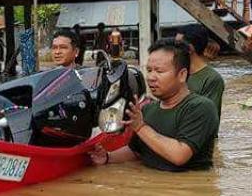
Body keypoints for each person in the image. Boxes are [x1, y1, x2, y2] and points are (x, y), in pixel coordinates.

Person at [89, 39, 218, 172]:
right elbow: (137, 152)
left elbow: (179, 156)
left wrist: (140, 127)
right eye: (149, 70)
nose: (151, 77)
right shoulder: (148, 109)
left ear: (182, 75)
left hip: (185, 188)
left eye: (159, 71)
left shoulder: (201, 107)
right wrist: (108, 158)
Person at [175, 25, 224, 137]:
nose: (173, 49)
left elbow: (209, 118)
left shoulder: (212, 79)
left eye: (178, 45)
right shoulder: (176, 73)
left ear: (190, 48)